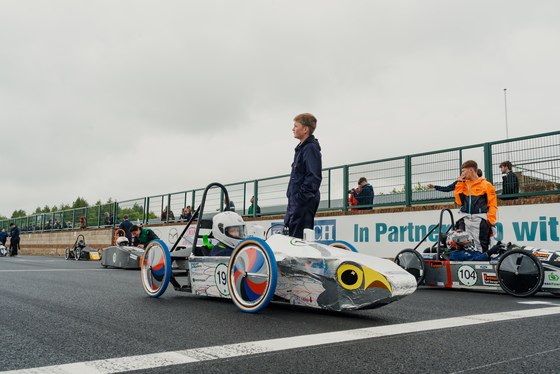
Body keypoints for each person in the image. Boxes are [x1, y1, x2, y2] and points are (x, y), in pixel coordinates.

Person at [285, 113, 322, 239]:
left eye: (296, 126)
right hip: (295, 203)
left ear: (305, 129)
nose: (293, 129)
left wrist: (299, 200)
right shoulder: (301, 148)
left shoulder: (310, 148)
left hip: (303, 203)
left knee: (299, 242)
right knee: (291, 239)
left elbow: (313, 178)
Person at [454, 160, 497, 252]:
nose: (462, 174)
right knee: (463, 245)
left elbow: (493, 204)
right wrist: (459, 184)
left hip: (480, 219)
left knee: (481, 245)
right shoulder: (463, 184)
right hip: (465, 218)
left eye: (463, 171)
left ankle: (482, 264)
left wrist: (491, 220)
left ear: (471, 170)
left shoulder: (487, 185)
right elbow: (459, 201)